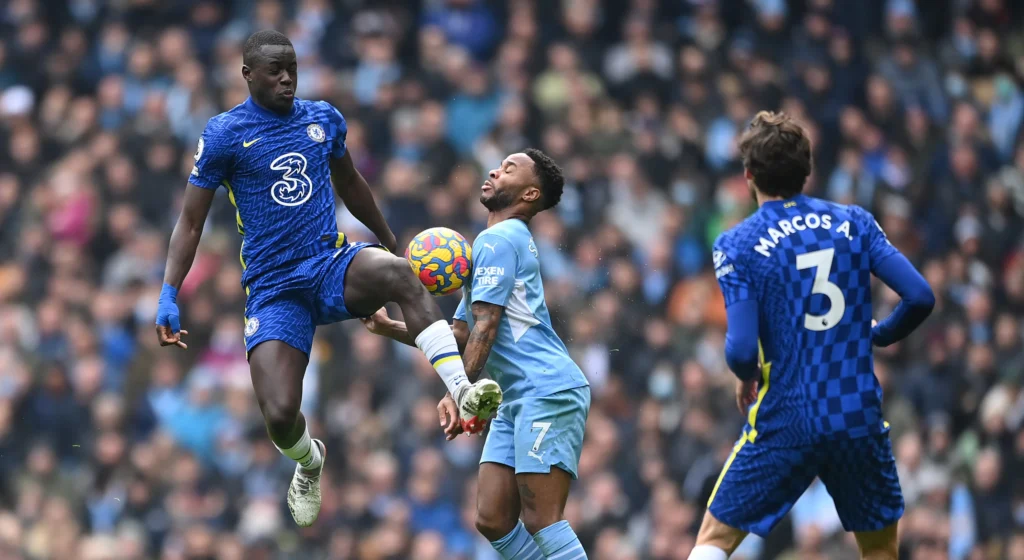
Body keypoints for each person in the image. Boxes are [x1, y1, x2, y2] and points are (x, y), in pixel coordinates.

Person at [153, 30, 502, 528]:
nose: (287, 78)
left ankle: (462, 389)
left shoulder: (322, 118)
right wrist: (169, 293)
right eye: (275, 70)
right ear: (247, 75)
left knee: (400, 274)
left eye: (292, 68)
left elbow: (351, 182)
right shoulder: (225, 134)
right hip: (274, 288)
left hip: (329, 263)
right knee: (279, 415)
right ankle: (309, 461)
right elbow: (191, 222)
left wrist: (388, 240)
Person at [690, 111, 936, 560]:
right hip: (855, 416)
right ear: (807, 170)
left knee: (714, 540)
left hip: (788, 418)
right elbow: (920, 296)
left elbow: (741, 350)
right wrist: (880, 335)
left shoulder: (737, 244)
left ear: (748, 175)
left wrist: (745, 375)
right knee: (880, 550)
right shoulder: (854, 222)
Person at [363, 149, 592, 559]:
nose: (494, 171)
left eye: (508, 169)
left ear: (530, 194)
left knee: (542, 519)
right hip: (515, 397)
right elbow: (462, 334)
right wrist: (389, 327)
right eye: (498, 165)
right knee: (492, 519)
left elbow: (486, 326)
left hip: (546, 391)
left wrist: (457, 392)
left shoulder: (498, 240)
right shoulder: (493, 244)